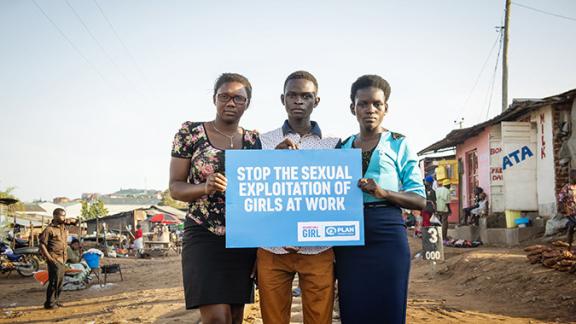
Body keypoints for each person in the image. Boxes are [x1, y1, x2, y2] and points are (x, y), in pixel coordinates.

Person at [169, 73, 261, 324]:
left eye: (238, 98)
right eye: (224, 96)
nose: (231, 103)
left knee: (234, 316)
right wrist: (204, 187)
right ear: (214, 99)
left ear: (247, 103)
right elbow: (175, 188)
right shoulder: (191, 133)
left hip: (242, 240)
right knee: (217, 319)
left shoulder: (255, 141)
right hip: (203, 233)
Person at [335, 75, 426, 324]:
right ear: (352, 107)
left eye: (377, 104)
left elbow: (419, 200)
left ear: (386, 108)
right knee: (353, 309)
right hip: (348, 238)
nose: (370, 109)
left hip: (387, 234)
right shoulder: (340, 148)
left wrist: (384, 193)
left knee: (389, 308)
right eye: (363, 103)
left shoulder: (399, 144)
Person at [258, 71, 340, 324]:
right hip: (272, 246)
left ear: (316, 101)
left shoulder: (334, 144)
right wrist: (273, 160)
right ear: (282, 99)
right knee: (273, 319)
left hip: (319, 247)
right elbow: (254, 194)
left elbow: (336, 199)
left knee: (319, 319)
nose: (298, 101)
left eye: (306, 96)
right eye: (292, 95)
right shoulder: (261, 142)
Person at [39, 208, 78, 309]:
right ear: (55, 216)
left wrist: (70, 220)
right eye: (62, 215)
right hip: (54, 258)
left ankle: (56, 301)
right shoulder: (49, 229)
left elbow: (76, 222)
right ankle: (49, 303)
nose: (64, 217)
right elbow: (42, 244)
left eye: (65, 215)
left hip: (62, 259)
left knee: (60, 283)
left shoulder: (63, 227)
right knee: (54, 281)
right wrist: (49, 259)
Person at [557, 169, 576, 249]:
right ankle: (569, 245)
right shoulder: (567, 188)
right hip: (570, 212)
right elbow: (560, 199)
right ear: (571, 177)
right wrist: (564, 209)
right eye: (574, 177)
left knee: (572, 226)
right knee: (571, 226)